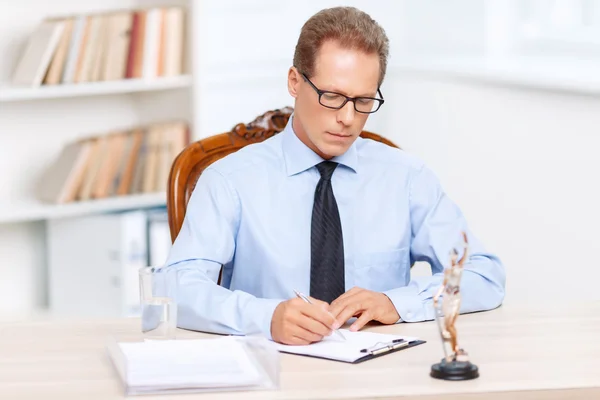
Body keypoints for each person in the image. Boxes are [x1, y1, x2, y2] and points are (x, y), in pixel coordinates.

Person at [165, 6, 505, 345]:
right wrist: (265, 317)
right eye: (332, 96)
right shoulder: (230, 180)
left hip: (378, 376)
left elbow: (484, 276)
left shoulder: (407, 179)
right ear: (295, 82)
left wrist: (396, 303)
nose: (347, 118)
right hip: (272, 372)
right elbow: (176, 286)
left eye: (363, 100)